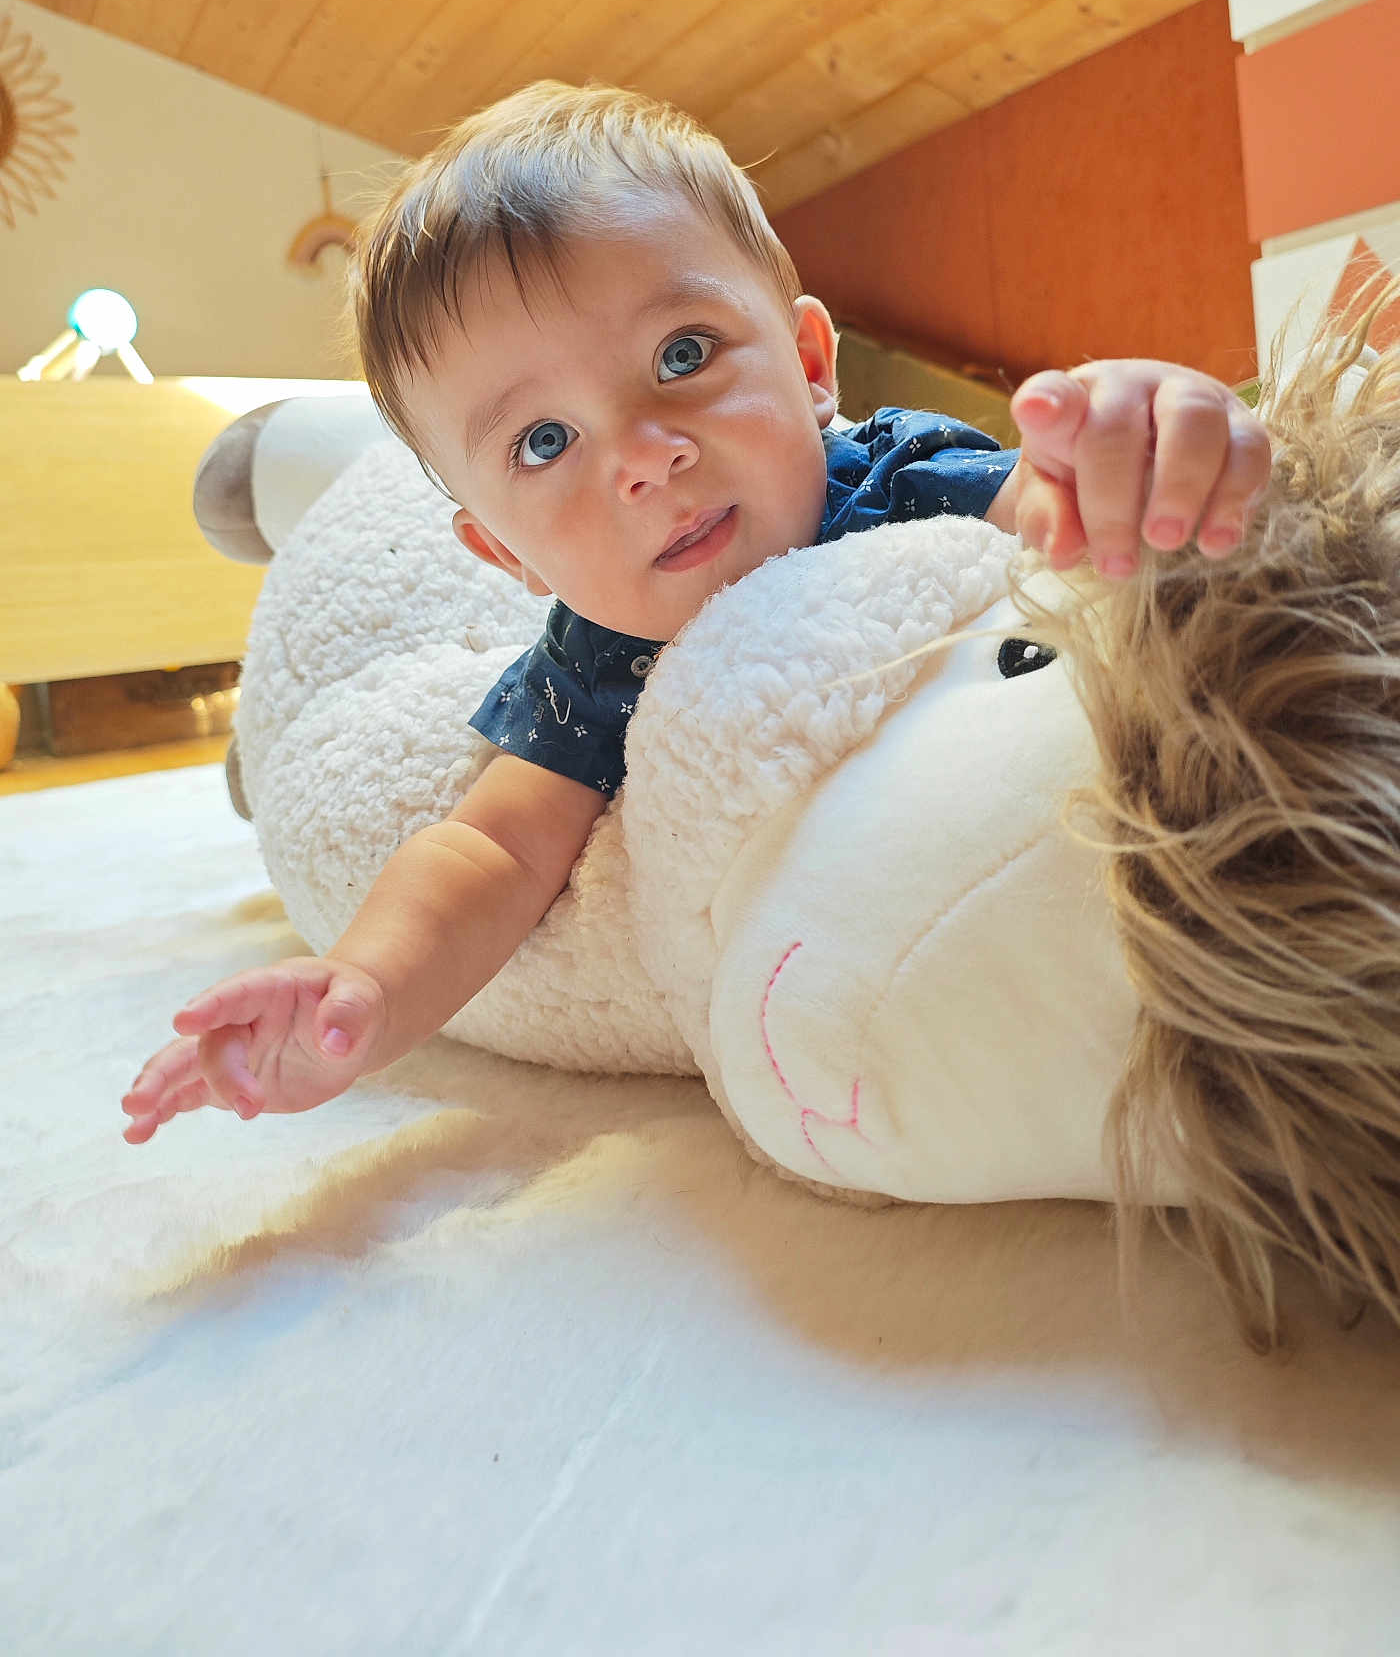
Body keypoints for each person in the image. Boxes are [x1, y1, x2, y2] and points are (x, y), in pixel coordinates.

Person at [120, 82, 1269, 1144]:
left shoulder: (899, 477)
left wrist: (1143, 446)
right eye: (545, 441)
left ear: (811, 364)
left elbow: (1063, 526)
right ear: (504, 554)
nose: (644, 458)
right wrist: (361, 993)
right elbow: (488, 848)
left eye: (682, 354)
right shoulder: (601, 654)